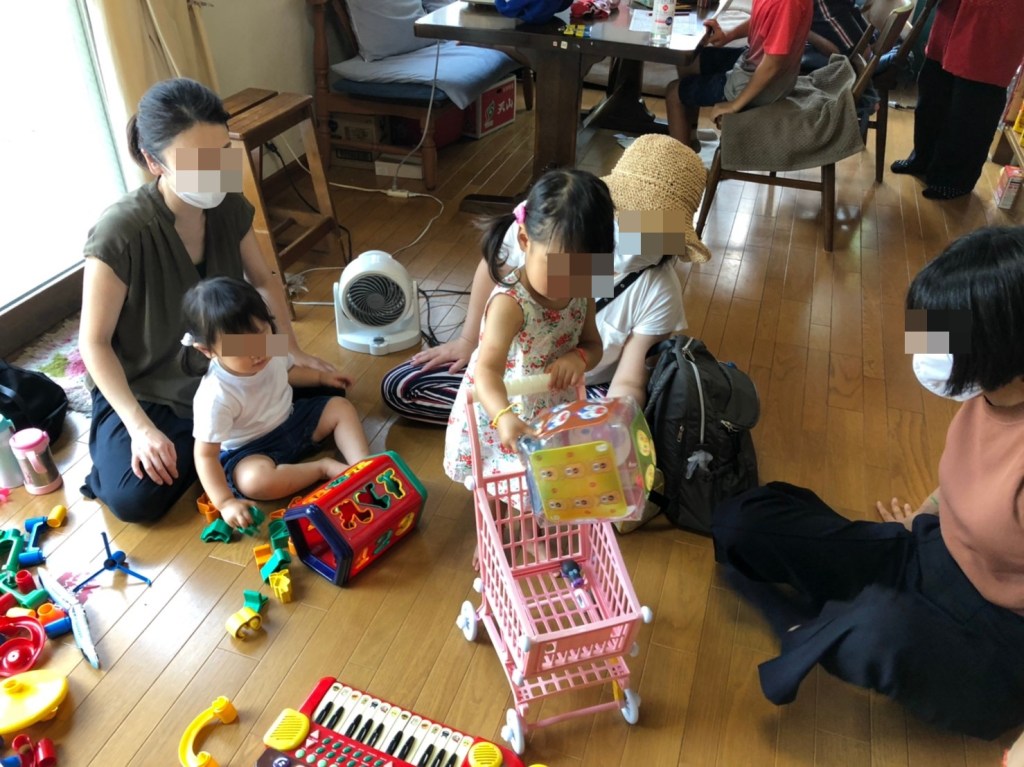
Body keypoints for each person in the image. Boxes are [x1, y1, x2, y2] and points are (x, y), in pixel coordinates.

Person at [711, 225, 1024, 740]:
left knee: (879, 629)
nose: (924, 349)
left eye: (941, 338)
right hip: (927, 554)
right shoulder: (988, 394)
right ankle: (826, 625)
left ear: (999, 347)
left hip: (996, 640)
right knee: (744, 523)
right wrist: (925, 515)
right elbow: (969, 475)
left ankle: (811, 626)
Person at [78, 78, 337, 524]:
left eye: (221, 153)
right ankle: (217, 449)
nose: (214, 171)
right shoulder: (121, 231)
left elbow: (263, 280)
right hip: (147, 384)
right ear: (154, 162)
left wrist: (290, 349)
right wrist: (140, 429)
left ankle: (223, 448)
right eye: (196, 161)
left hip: (225, 360)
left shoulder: (227, 203)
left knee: (330, 388)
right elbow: (94, 343)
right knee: (136, 499)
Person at [382, 134, 710, 425]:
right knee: (403, 386)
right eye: (630, 220)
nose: (637, 238)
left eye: (655, 231)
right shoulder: (552, 226)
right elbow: (494, 268)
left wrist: (611, 426)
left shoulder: (656, 288)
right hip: (509, 378)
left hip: (582, 389)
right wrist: (469, 342)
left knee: (624, 415)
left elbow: (628, 382)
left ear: (672, 239)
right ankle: (504, 427)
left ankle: (530, 431)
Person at [443, 169, 610, 482]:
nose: (569, 282)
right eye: (557, 267)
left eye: (583, 270)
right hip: (505, 407)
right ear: (524, 240)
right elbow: (486, 371)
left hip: (554, 405)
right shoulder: (511, 303)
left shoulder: (583, 288)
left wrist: (579, 357)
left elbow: (593, 345)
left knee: (549, 478)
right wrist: (502, 416)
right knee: (508, 482)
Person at [181, 277, 370, 529]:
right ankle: (322, 468)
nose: (258, 351)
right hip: (250, 450)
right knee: (254, 482)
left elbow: (289, 371)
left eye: (261, 334)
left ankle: (364, 466)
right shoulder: (214, 395)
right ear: (207, 350)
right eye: (240, 347)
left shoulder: (271, 347)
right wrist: (225, 502)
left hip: (292, 420)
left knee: (340, 407)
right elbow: (205, 455)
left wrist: (321, 378)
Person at [890, 0, 1024, 200]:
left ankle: (954, 180)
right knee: (932, 99)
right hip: (951, 18)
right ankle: (923, 158)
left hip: (994, 26)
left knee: (971, 111)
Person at [665, 0, 813, 149]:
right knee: (689, 61)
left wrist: (734, 105)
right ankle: (689, 142)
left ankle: (682, 162)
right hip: (755, 63)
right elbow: (762, 19)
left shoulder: (785, 4)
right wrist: (728, 36)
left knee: (673, 93)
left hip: (768, 83)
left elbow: (772, 65)